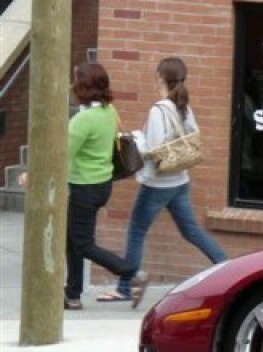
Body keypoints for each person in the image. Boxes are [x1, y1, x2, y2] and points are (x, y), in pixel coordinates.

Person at [105, 56, 227, 303]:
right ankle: (226, 266)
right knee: (191, 230)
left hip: (157, 184)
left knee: (136, 230)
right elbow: (190, 135)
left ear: (160, 76)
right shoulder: (183, 105)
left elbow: (155, 147)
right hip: (179, 180)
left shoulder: (159, 109)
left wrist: (136, 139)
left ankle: (125, 287)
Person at [62, 60, 149, 309]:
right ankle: (73, 294)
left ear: (83, 86)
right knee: (73, 240)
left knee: (83, 243)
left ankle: (132, 273)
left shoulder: (83, 120)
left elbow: (63, 155)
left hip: (84, 187)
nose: (72, 85)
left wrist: (33, 176)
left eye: (75, 80)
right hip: (102, 185)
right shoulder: (109, 112)